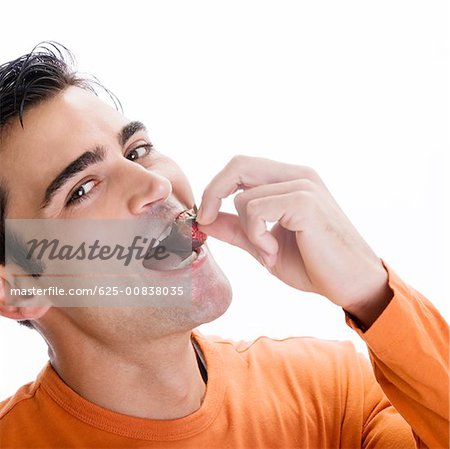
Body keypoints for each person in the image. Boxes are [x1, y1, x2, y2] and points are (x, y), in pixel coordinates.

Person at [0, 42, 448, 449]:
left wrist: (370, 291)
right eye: (81, 189)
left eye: (137, 151)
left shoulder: (339, 400)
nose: (156, 184)